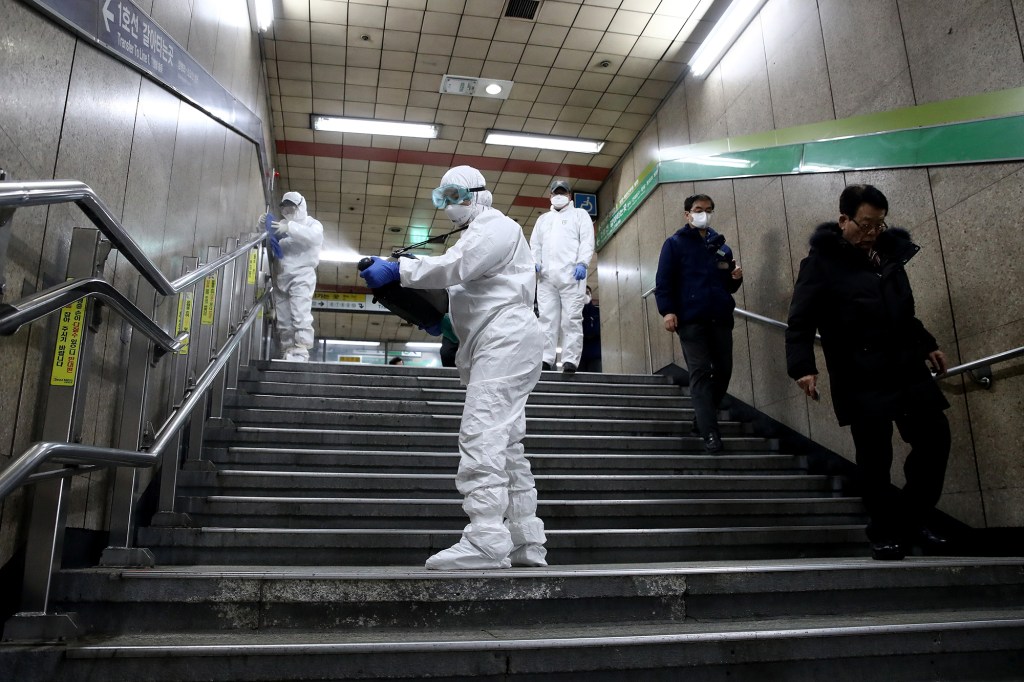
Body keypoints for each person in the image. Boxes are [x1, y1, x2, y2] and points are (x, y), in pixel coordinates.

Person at [359, 165, 546, 570]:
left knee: (481, 433)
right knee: (507, 444)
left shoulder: (496, 226)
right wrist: (439, 322)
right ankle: (524, 540)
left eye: (457, 196)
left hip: (507, 337)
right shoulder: (481, 233)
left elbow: (457, 266)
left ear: (481, 194)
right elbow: (472, 290)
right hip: (499, 339)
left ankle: (485, 540)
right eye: (443, 198)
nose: (450, 206)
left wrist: (399, 269)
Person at [785, 184, 951, 561]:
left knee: (935, 440)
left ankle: (912, 518)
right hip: (859, 373)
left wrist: (928, 343)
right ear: (844, 220)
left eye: (879, 224)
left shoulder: (888, 255)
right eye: (865, 224)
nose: (873, 232)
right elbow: (800, 321)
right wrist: (803, 368)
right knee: (875, 459)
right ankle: (884, 530)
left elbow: (903, 312)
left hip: (905, 367)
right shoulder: (821, 264)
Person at [654, 194, 743, 453]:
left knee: (724, 370)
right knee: (701, 371)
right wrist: (668, 311)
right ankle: (710, 433)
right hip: (691, 319)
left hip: (720, 317)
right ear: (687, 214)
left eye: (707, 210)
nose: (703, 213)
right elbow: (664, 281)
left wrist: (735, 278)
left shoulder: (721, 246)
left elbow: (727, 285)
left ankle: (701, 420)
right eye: (697, 209)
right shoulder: (675, 244)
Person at [530, 179, 595, 374]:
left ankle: (570, 360)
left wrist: (583, 262)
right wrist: (535, 260)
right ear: (550, 196)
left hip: (572, 276)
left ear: (569, 196)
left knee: (571, 319)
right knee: (546, 319)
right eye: (556, 192)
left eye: (563, 192)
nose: (559, 196)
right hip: (546, 277)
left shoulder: (580, 215)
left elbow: (587, 240)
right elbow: (535, 244)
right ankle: (546, 359)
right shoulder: (543, 220)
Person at [259, 191, 324, 362]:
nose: (288, 212)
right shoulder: (282, 224)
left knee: (299, 312)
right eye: (285, 209)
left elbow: (314, 238)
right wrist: (264, 228)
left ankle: (301, 350)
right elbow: (272, 240)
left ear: (301, 206)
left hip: (302, 274)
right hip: (282, 276)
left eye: (291, 208)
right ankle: (288, 349)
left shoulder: (312, 224)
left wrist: (290, 228)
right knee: (283, 316)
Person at [579, 285, 602, 373]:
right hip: (579, 355)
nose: (585, 295)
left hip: (595, 354)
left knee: (595, 379)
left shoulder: (597, 312)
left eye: (587, 293)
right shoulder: (576, 312)